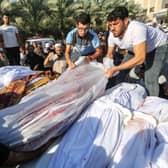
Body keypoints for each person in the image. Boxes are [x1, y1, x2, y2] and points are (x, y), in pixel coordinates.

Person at [105, 6, 168, 96]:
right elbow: (109, 55)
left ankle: (152, 104)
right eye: (110, 25)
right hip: (135, 48)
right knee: (121, 73)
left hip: (158, 46)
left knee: (150, 77)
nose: (112, 28)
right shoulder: (112, 34)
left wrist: (115, 68)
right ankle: (116, 95)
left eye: (115, 24)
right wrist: (107, 66)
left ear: (126, 21)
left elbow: (140, 58)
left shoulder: (137, 29)